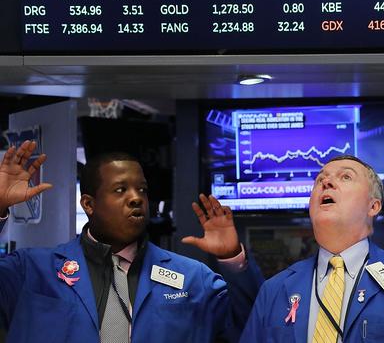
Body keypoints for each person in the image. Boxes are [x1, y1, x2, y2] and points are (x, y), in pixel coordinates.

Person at [0, 140, 264, 342]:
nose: (136, 198)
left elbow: (255, 327)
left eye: (142, 190)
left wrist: (231, 258)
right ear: (89, 205)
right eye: (120, 190)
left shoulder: (193, 279)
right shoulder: (32, 270)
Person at [240, 155, 384, 342]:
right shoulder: (275, 290)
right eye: (320, 180)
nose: (326, 183)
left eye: (345, 177)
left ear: (373, 206)